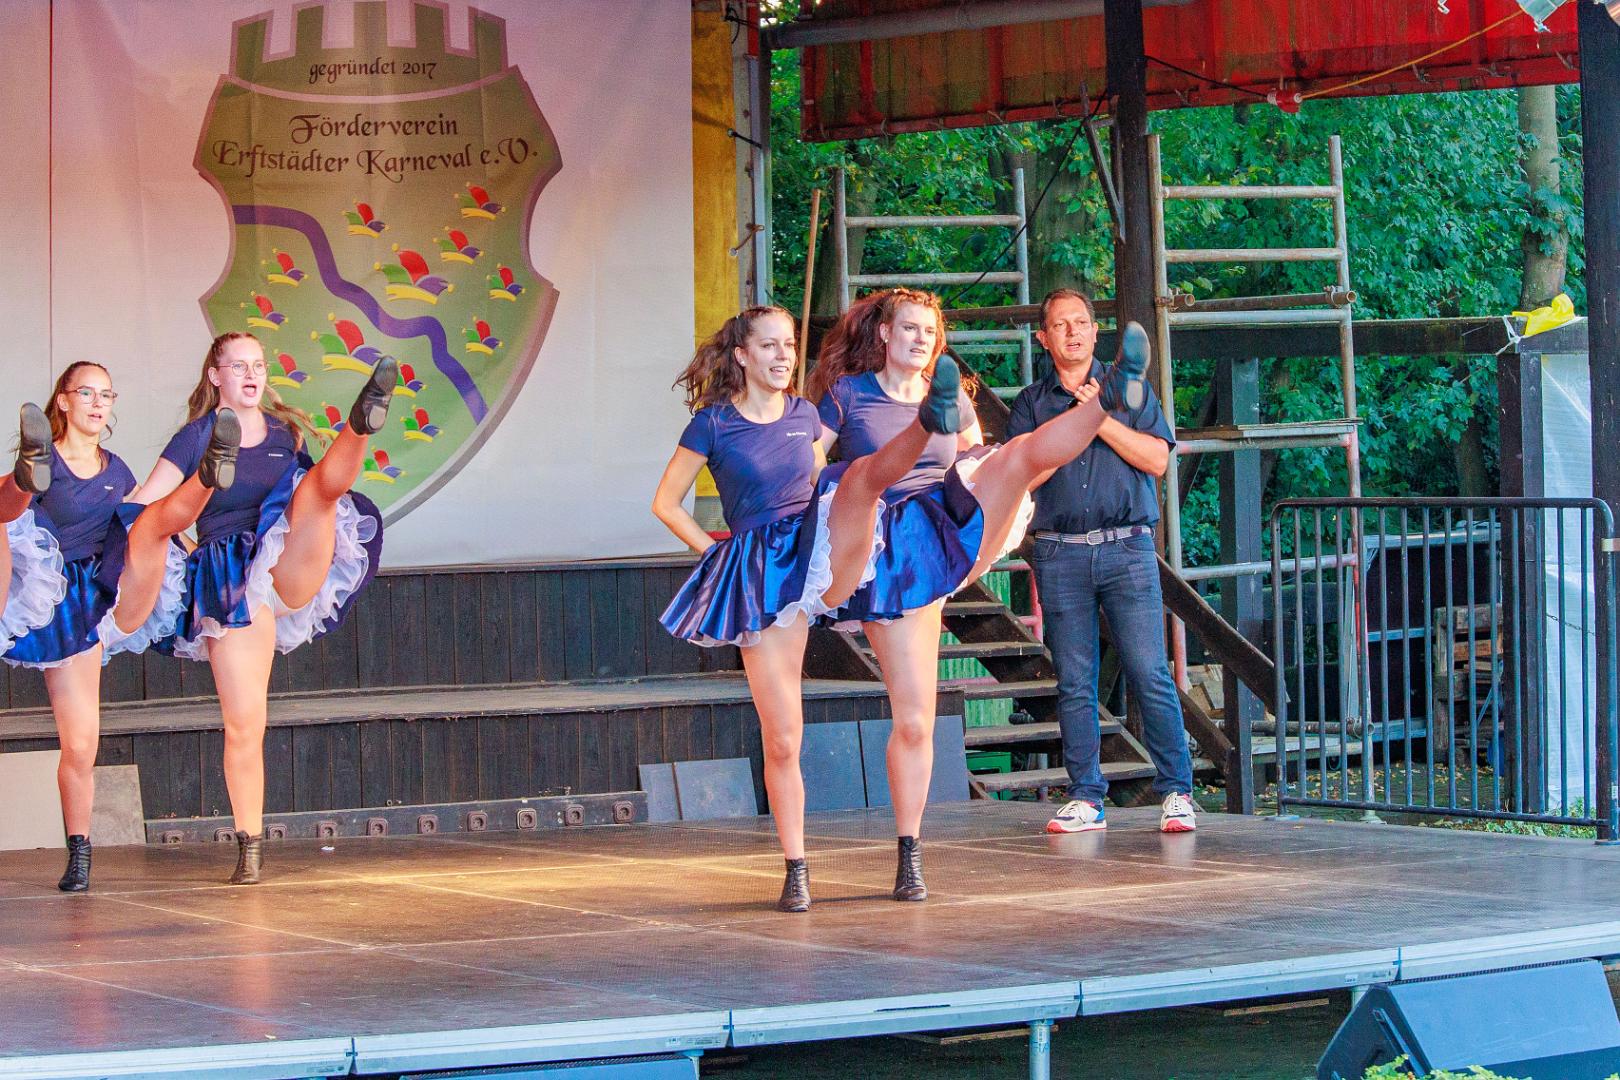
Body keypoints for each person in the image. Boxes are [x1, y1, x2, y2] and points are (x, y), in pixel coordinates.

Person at [809, 287, 1142, 900]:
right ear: (884, 334)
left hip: (933, 544)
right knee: (862, 478)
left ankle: (1108, 401)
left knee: (1017, 455)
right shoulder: (848, 395)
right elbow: (807, 470)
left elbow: (972, 465)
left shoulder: (954, 396)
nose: (920, 339)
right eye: (908, 329)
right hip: (870, 540)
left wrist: (995, 476)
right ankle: (907, 850)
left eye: (929, 332)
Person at [652, 305, 959, 912]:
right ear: (742, 355)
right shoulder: (712, 423)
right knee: (785, 738)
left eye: (790, 345)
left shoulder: (804, 414)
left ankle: (910, 852)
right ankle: (796, 866)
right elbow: (666, 502)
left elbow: (826, 482)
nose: (783, 356)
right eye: (769, 346)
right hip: (764, 570)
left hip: (819, 549)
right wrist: (714, 554)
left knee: (860, 482)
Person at [134, 331, 392, 884]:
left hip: (284, 555)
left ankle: (361, 423)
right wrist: (164, 544)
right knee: (246, 722)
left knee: (318, 490)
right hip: (231, 582)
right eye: (239, 366)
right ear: (215, 376)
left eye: (258, 365)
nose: (252, 374)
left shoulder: (282, 432)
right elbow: (145, 502)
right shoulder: (193, 435)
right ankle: (249, 842)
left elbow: (306, 498)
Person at [0, 364, 227, 892]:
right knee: (80, 745)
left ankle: (209, 473)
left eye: (106, 395)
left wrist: (202, 570)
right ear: (63, 401)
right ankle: (80, 851)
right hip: (54, 602)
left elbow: (147, 521)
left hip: (110, 592)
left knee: (147, 518)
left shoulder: (116, 468)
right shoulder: (57, 460)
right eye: (87, 393)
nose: (99, 403)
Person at [1009, 287, 1197, 835]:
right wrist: (1075, 421)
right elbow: (1023, 474)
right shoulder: (1031, 403)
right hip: (1059, 551)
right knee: (1074, 680)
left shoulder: (1130, 389)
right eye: (1060, 324)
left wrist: (1101, 417)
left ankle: (1177, 791)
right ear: (1043, 338)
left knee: (1148, 670)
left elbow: (1157, 459)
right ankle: (1086, 796)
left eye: (1081, 322)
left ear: (1095, 332)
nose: (1072, 332)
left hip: (1127, 547)